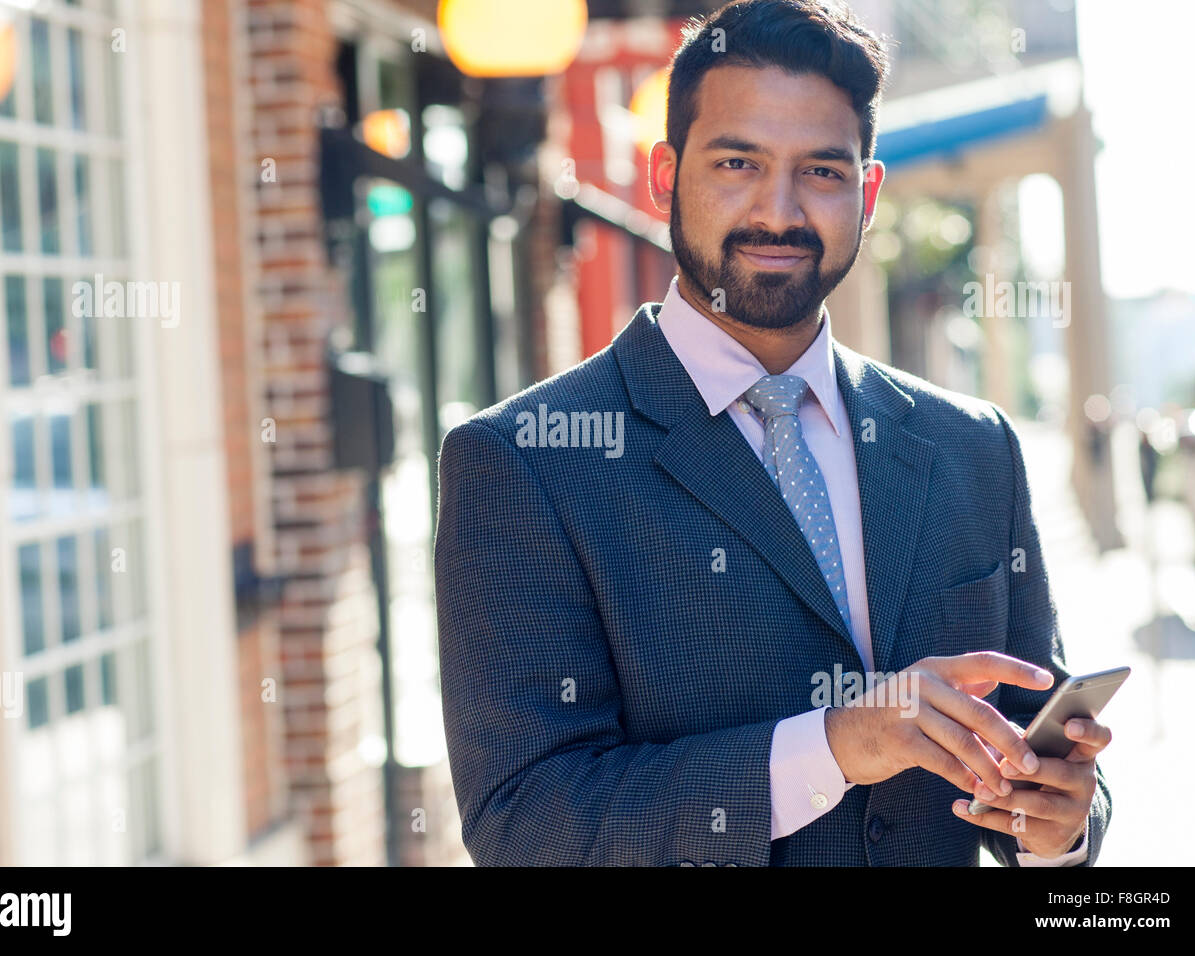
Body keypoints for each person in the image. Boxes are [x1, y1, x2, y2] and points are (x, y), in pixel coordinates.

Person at [434, 0, 1112, 866]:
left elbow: (1038, 738)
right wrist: (832, 746)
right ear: (664, 176)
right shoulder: (525, 463)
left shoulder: (974, 448)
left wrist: (1059, 829)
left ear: (866, 195)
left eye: (822, 172)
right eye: (737, 163)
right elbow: (525, 826)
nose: (779, 211)